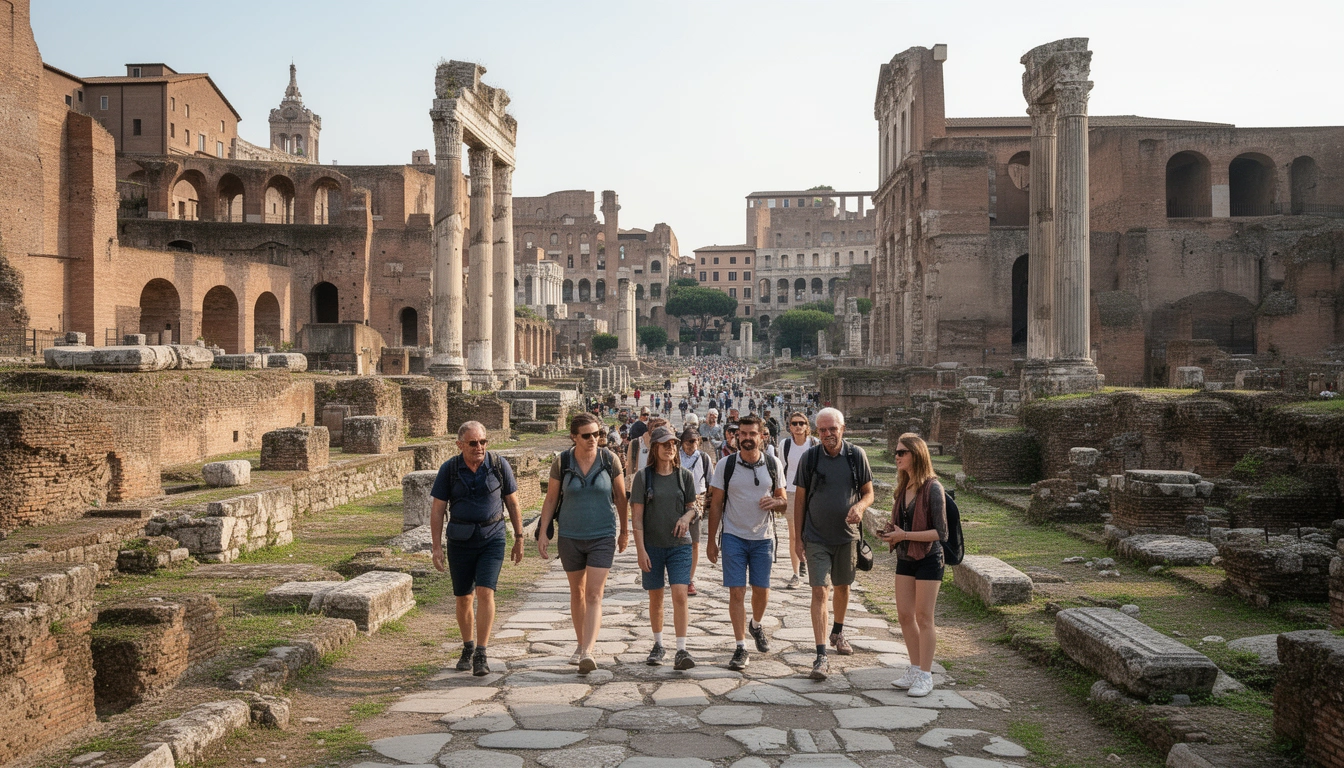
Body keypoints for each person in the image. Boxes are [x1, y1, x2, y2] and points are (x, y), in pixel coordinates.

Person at [430, 421, 525, 676]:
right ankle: (468, 646)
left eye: (483, 442)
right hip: (460, 540)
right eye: (473, 443)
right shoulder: (449, 469)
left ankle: (481, 652)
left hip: (492, 537)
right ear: (460, 445)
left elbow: (513, 503)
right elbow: (438, 509)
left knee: (485, 591)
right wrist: (436, 546)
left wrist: (519, 538)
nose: (479, 447)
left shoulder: (498, 465)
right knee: (464, 597)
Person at [537, 413, 629, 674]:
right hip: (570, 535)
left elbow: (621, 498)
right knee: (577, 592)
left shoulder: (609, 460)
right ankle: (580, 644)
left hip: (602, 534)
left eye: (597, 434)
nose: (593, 439)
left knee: (594, 593)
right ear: (574, 437)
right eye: (586, 435)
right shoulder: (563, 462)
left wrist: (625, 531)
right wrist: (543, 532)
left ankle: (588, 650)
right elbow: (551, 499)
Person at [793, 408, 874, 681]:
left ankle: (837, 631)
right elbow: (800, 500)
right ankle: (820, 656)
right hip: (816, 536)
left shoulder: (856, 456)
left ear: (843, 428)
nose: (828, 434)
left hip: (847, 536)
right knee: (819, 590)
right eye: (823, 430)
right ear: (817, 431)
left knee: (842, 586)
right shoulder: (810, 458)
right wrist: (797, 538)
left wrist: (860, 507)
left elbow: (869, 492)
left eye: (832, 429)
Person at [706, 415, 787, 670]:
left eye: (752, 434)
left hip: (763, 537)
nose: (747, 438)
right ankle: (740, 646)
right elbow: (716, 504)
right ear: (736, 436)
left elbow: (783, 501)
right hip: (733, 536)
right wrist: (711, 540)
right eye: (742, 434)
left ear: (762, 436)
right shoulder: (726, 465)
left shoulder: (773, 464)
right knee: (737, 591)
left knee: (761, 590)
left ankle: (755, 625)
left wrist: (776, 502)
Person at [879, 432, 948, 698]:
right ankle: (915, 667)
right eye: (896, 452)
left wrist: (904, 535)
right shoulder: (903, 487)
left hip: (929, 557)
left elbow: (940, 533)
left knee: (924, 617)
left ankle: (926, 675)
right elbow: (903, 524)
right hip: (905, 557)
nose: (896, 457)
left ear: (916, 455)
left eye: (901, 453)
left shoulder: (933, 488)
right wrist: (891, 533)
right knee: (905, 616)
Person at [632, 425, 699, 670]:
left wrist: (686, 517)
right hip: (652, 545)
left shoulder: (684, 476)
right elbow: (637, 518)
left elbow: (693, 507)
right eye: (665, 444)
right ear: (654, 448)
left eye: (673, 444)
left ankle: (681, 649)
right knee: (656, 597)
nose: (670, 448)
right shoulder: (643, 477)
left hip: (679, 546)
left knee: (680, 594)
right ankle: (658, 644)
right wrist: (640, 550)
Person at [778, 411, 820, 589]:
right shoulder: (785, 444)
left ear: (807, 426)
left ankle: (814, 571)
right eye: (794, 423)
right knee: (794, 535)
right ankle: (796, 573)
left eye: (801, 423)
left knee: (813, 533)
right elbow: (781, 469)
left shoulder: (814, 444)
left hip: (812, 493)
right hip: (791, 491)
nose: (798, 426)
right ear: (790, 426)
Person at [678, 428, 713, 596]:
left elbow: (710, 481)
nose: (692, 445)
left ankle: (689, 579)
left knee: (694, 542)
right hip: (677, 501)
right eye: (689, 441)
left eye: (695, 441)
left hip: (697, 502)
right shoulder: (675, 457)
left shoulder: (703, 458)